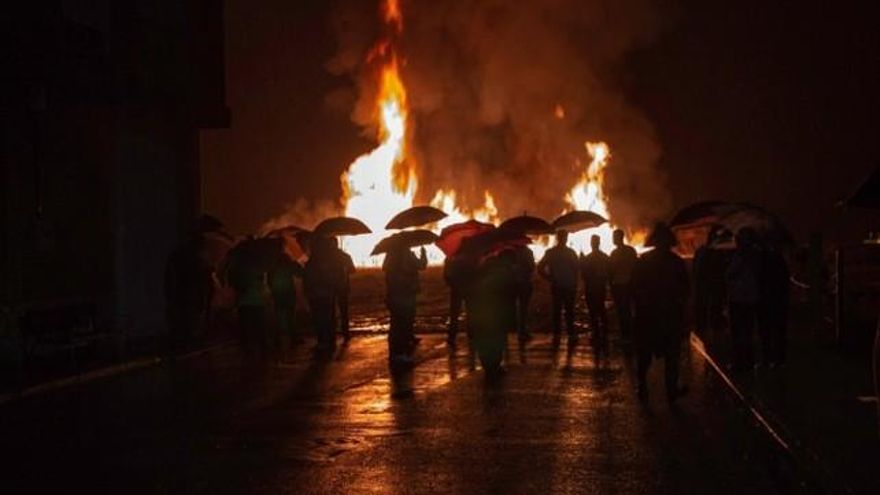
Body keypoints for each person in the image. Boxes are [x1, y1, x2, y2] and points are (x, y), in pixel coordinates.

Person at [631, 223, 690, 403]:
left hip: (649, 315)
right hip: (668, 315)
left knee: (645, 355)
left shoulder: (644, 260)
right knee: (671, 356)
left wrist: (639, 307)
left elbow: (634, 287)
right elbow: (685, 291)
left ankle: (643, 386)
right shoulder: (676, 262)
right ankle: (670, 391)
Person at [469, 249, 518, 377]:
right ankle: (494, 366)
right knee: (497, 339)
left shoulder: (484, 268)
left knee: (486, 339)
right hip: (496, 311)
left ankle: (488, 365)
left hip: (482, 310)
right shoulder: (502, 273)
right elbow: (508, 293)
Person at [225, 237, 271, 359]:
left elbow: (232, 282)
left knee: (247, 330)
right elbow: (262, 282)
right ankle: (262, 352)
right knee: (260, 328)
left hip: (244, 302)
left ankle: (248, 353)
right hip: (257, 301)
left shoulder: (237, 267)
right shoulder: (258, 265)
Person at [164, 235, 213, 350]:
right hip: (193, 298)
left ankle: (182, 346)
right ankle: (191, 346)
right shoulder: (198, 261)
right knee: (192, 325)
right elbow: (203, 282)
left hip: (180, 298)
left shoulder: (176, 256)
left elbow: (169, 280)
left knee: (182, 325)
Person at [383, 244, 428, 366]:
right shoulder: (407, 255)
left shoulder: (389, 257)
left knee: (396, 325)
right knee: (403, 324)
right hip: (406, 294)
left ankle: (396, 353)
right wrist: (423, 253)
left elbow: (387, 274)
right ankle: (400, 353)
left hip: (394, 295)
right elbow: (422, 265)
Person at [725, 228, 762, 372]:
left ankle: (739, 362)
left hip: (738, 298)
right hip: (751, 298)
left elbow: (730, 274)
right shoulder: (757, 257)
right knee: (748, 330)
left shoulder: (739, 256)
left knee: (738, 332)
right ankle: (749, 360)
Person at [538, 230, 580, 346]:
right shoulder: (570, 252)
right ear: (565, 238)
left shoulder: (551, 252)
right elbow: (576, 268)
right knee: (569, 311)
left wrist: (549, 277)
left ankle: (557, 334)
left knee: (557, 311)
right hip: (568, 285)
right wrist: (575, 282)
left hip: (558, 285)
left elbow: (540, 267)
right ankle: (570, 334)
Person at [304, 236, 345, 353]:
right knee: (328, 317)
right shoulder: (329, 260)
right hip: (326, 294)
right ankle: (329, 340)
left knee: (320, 318)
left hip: (317, 294)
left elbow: (308, 279)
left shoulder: (312, 262)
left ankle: (323, 341)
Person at [693, 228, 731, 340]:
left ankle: (706, 332)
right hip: (712, 286)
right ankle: (712, 334)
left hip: (707, 287)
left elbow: (697, 270)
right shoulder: (717, 253)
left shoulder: (702, 251)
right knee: (713, 310)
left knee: (708, 310)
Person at [758, 243, 790, 367]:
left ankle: (767, 357)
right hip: (777, 300)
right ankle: (779, 358)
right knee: (778, 331)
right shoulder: (779, 260)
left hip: (767, 300)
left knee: (766, 331)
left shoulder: (763, 261)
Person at [267, 245, 304, 348]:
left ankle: (277, 339)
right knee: (290, 316)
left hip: (278, 293)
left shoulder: (272, 263)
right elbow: (299, 273)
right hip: (288, 292)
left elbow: (269, 279)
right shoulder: (287, 261)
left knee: (279, 316)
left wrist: (272, 289)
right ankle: (293, 338)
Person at [580, 235, 610, 348]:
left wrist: (581, 261)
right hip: (600, 286)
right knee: (601, 308)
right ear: (599, 243)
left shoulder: (588, 258)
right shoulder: (605, 257)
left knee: (593, 310)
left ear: (592, 244)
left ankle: (596, 331)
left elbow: (584, 274)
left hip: (591, 287)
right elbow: (608, 272)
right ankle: (605, 330)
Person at [609, 229, 638, 340]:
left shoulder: (615, 253)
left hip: (619, 284)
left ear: (618, 238)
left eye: (614, 237)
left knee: (622, 309)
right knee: (629, 308)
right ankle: (632, 331)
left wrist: (611, 284)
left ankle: (625, 333)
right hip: (630, 283)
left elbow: (611, 270)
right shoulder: (631, 250)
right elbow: (636, 266)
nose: (613, 239)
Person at [444, 254, 473, 348]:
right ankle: (471, 335)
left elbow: (446, 275)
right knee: (470, 313)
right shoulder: (471, 257)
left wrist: (452, 284)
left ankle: (452, 337)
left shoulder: (450, 257)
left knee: (454, 314)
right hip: (468, 288)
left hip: (456, 289)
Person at [331, 240, 356, 342]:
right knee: (343, 311)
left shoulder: (327, 258)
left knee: (331, 311)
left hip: (331, 287)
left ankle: (332, 333)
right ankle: (345, 333)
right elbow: (352, 270)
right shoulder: (345, 256)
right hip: (342, 286)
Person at [512, 244, 536, 344]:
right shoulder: (527, 252)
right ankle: (522, 331)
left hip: (512, 283)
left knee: (512, 307)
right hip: (525, 282)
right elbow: (532, 266)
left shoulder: (510, 252)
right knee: (523, 308)